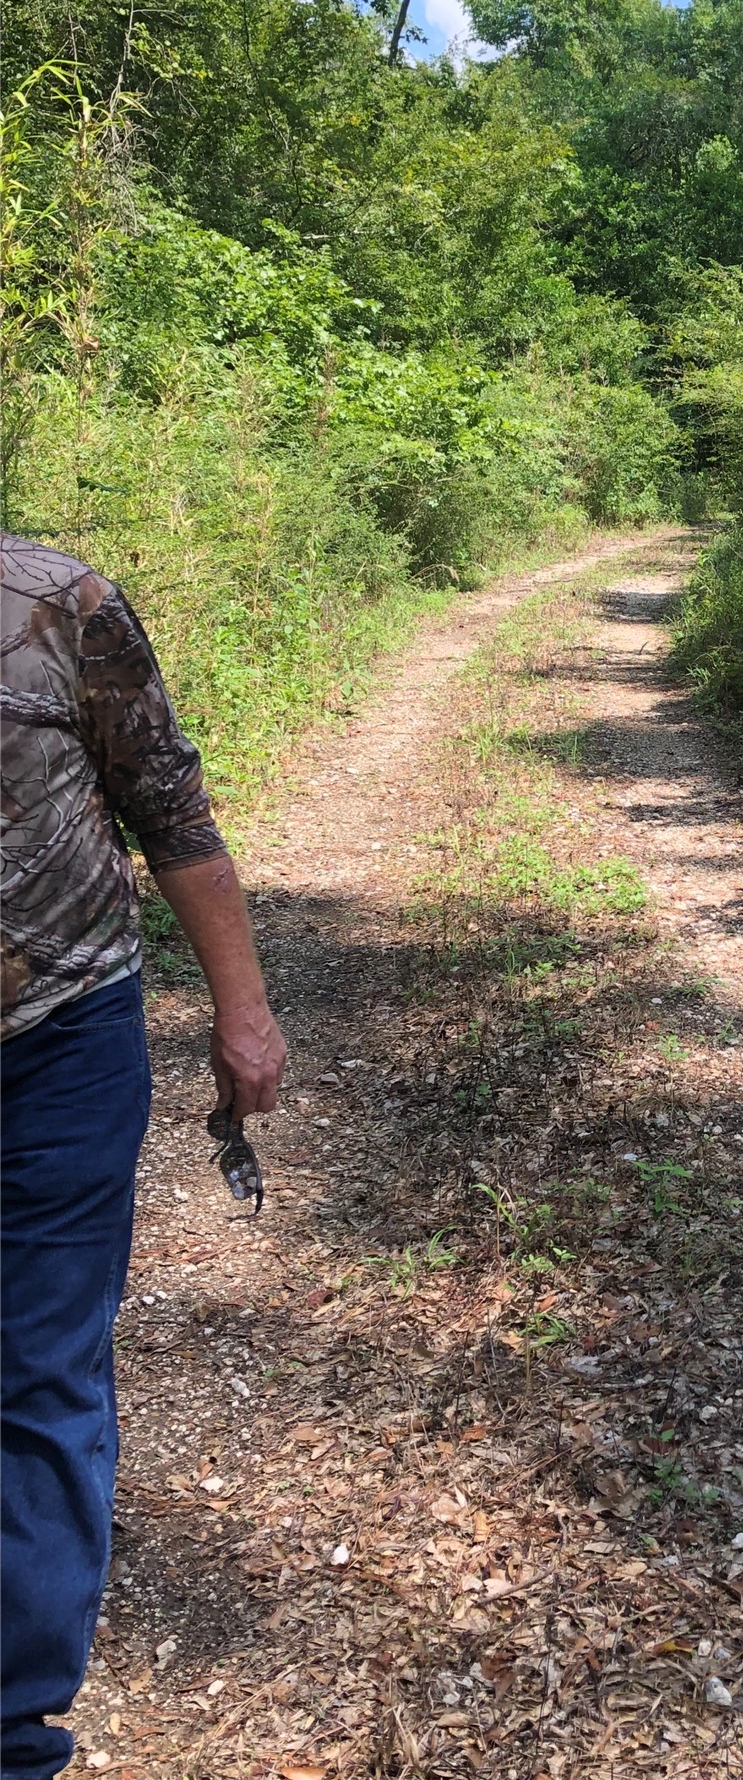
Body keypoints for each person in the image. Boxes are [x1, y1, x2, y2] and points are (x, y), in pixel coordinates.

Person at [0, 534, 286, 1780]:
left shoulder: (54, 600)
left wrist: (243, 1007)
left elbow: (167, 804)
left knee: (38, 1377)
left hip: (56, 1045)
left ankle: (12, 1729)